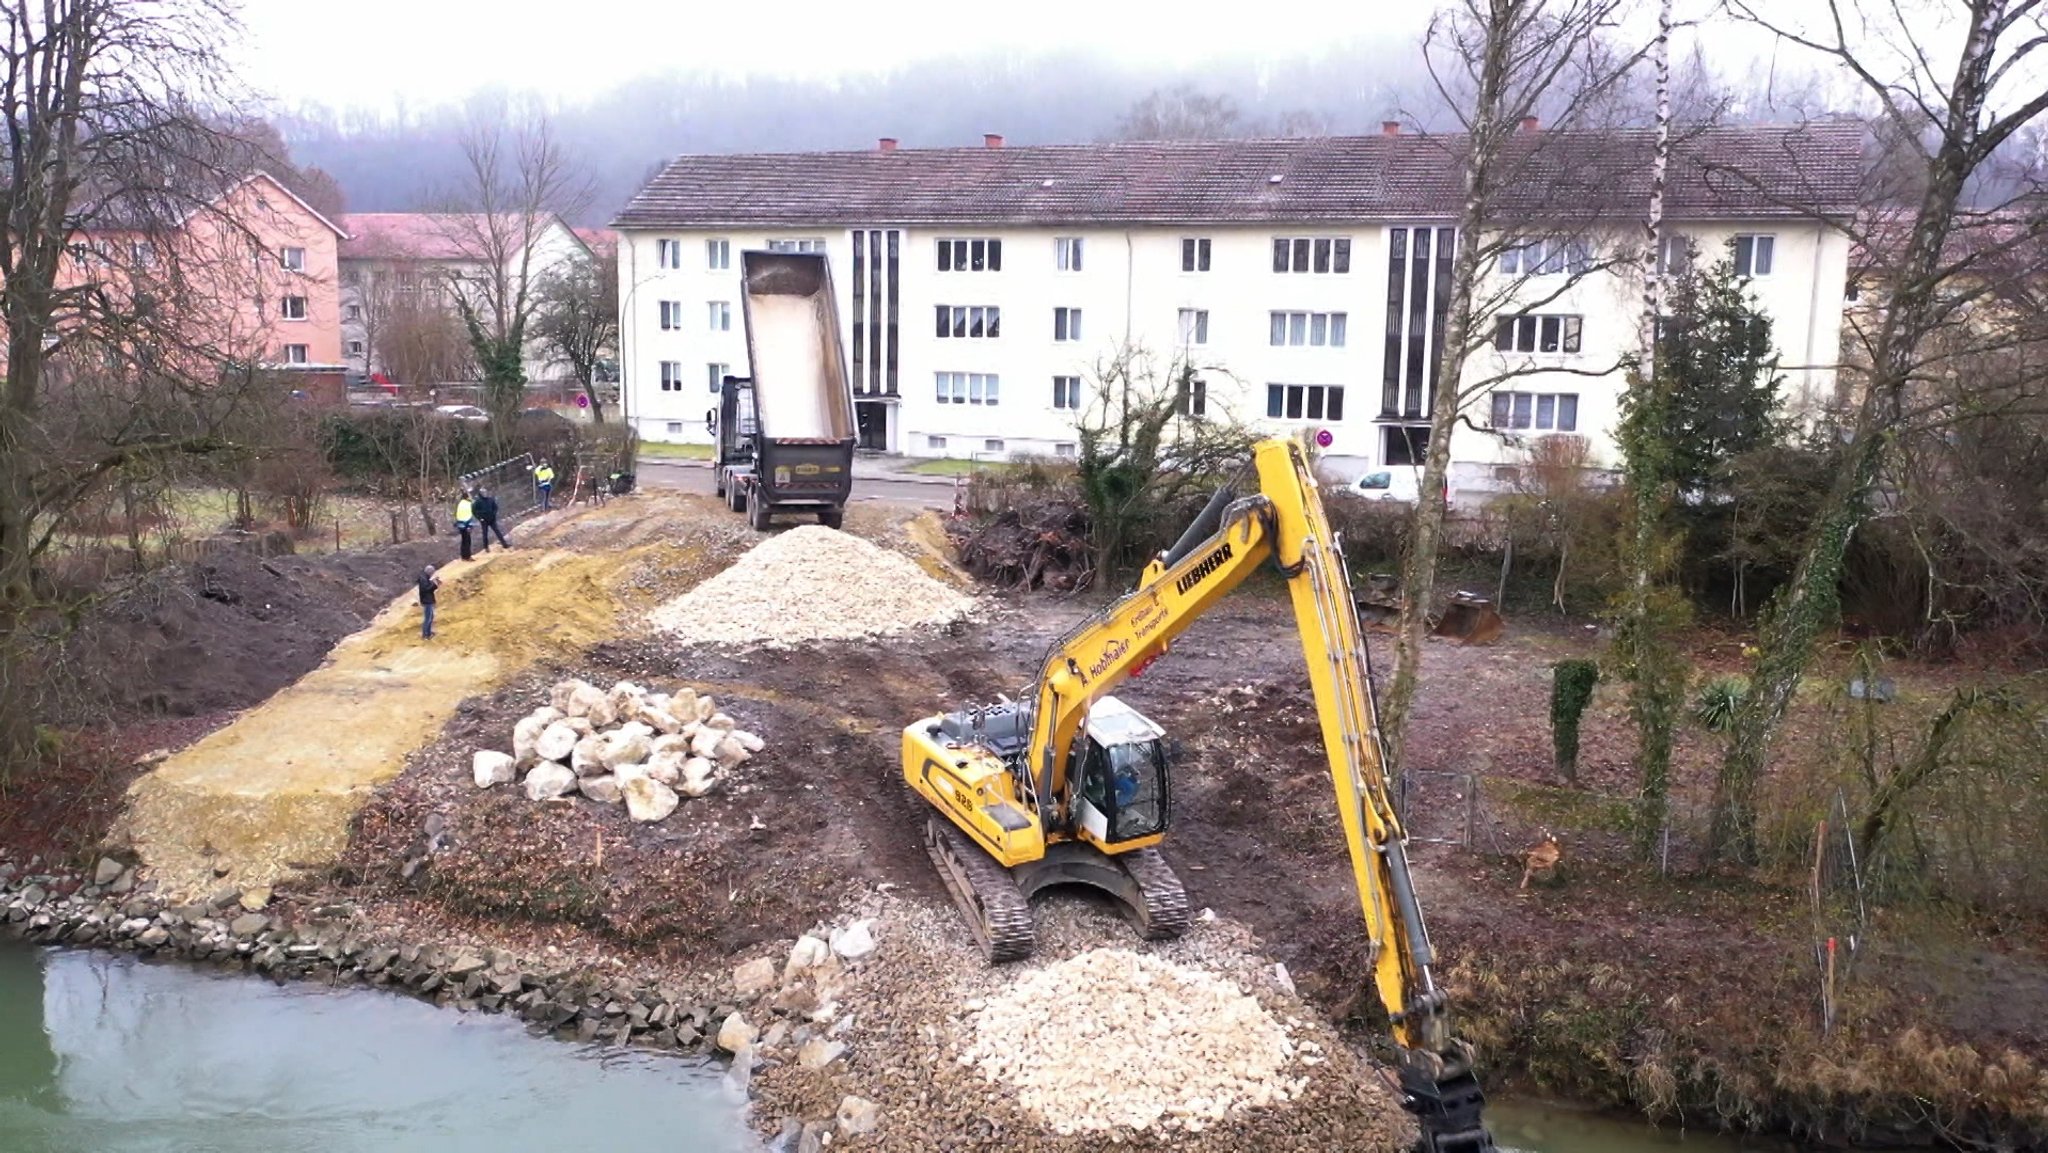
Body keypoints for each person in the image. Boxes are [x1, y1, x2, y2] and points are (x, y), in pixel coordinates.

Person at [417, 566, 441, 640]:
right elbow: (426, 588)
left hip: (427, 600)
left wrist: (433, 582)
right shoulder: (423, 579)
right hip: (427, 601)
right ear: (430, 572)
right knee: (428, 618)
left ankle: (428, 632)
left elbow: (427, 586)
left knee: (430, 617)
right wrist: (434, 584)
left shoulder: (424, 577)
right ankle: (425, 635)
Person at [454, 490, 475, 561]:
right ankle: (468, 556)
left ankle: (463, 556)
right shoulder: (467, 504)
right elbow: (469, 515)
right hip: (466, 525)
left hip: (460, 525)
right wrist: (469, 526)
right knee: (467, 541)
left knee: (463, 540)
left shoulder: (460, 504)